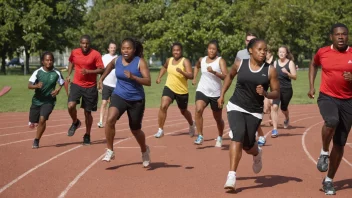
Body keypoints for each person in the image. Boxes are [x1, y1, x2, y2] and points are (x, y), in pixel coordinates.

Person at [219, 38, 280, 190]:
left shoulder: (269, 70)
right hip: (236, 105)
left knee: (247, 145)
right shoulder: (240, 64)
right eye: (260, 49)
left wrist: (265, 93)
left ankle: (257, 153)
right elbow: (229, 76)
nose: (263, 52)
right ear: (251, 50)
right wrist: (222, 95)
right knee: (237, 135)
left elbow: (277, 93)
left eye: (265, 50)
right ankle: (231, 176)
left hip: (254, 111)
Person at [308, 23, 352, 196]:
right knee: (331, 120)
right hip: (327, 96)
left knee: (340, 143)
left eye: (344, 34)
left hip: (349, 101)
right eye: (337, 34)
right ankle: (324, 152)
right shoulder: (323, 52)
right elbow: (313, 64)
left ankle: (328, 180)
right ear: (331, 37)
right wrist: (312, 86)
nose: (341, 37)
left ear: (347, 36)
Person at [99, 38, 151, 167]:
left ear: (133, 50)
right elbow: (110, 66)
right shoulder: (117, 60)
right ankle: (110, 150)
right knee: (110, 120)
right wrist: (102, 78)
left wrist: (134, 77)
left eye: (128, 48)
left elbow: (148, 81)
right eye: (123, 48)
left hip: (136, 99)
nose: (125, 51)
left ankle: (144, 150)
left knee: (135, 130)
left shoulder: (140, 62)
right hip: (119, 95)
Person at [66, 35, 104, 145]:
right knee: (71, 105)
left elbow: (101, 70)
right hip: (77, 84)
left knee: (88, 113)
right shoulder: (74, 52)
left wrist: (89, 72)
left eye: (87, 43)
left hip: (90, 86)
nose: (85, 45)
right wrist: (68, 75)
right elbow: (71, 62)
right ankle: (75, 122)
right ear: (80, 43)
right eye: (83, 43)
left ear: (89, 43)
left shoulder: (96, 54)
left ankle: (87, 135)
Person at [230, 32, 267, 147]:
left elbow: (266, 75)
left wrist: (266, 97)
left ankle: (260, 135)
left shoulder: (261, 54)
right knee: (240, 117)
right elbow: (235, 69)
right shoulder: (240, 54)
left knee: (251, 116)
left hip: (256, 92)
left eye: (252, 40)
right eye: (248, 40)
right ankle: (237, 130)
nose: (249, 41)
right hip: (242, 89)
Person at [154, 42, 195, 138]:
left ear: (181, 51)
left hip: (182, 91)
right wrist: (159, 77)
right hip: (169, 87)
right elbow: (164, 67)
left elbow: (191, 75)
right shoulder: (169, 60)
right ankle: (160, 129)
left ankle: (191, 124)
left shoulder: (185, 61)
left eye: (178, 50)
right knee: (163, 106)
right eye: (174, 50)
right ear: (172, 51)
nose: (176, 52)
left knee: (183, 111)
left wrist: (182, 72)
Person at [192, 40, 228, 147]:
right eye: (209, 48)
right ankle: (200, 135)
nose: (211, 51)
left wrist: (214, 72)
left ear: (217, 50)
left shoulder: (220, 61)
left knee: (217, 118)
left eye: (213, 49)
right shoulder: (202, 60)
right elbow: (197, 66)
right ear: (207, 49)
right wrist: (194, 78)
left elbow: (226, 76)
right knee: (198, 109)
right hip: (202, 90)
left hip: (216, 93)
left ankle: (220, 136)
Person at [28, 52, 65, 148]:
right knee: (33, 121)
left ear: (53, 61)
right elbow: (29, 85)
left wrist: (57, 90)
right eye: (47, 60)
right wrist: (36, 85)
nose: (49, 62)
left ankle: (36, 140)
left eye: (51, 60)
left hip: (49, 101)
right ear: (42, 62)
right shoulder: (37, 72)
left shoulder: (56, 72)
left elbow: (62, 83)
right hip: (37, 100)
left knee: (42, 119)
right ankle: (33, 121)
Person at [270, 46, 297, 137]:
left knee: (283, 108)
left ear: (286, 54)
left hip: (287, 89)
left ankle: (287, 118)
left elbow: (295, 77)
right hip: (276, 89)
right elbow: (271, 76)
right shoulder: (275, 63)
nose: (281, 53)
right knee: (274, 107)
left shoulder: (290, 63)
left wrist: (287, 73)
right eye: (280, 52)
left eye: (283, 52)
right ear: (278, 53)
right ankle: (275, 130)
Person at [97, 42, 118, 128]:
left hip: (115, 85)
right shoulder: (104, 57)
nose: (113, 49)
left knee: (112, 105)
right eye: (111, 47)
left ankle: (109, 121)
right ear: (108, 49)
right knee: (104, 102)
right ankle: (101, 121)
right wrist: (100, 81)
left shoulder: (118, 58)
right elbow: (100, 69)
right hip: (106, 83)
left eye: (114, 48)